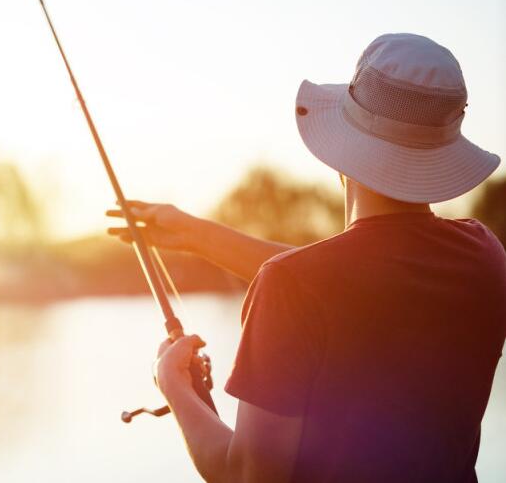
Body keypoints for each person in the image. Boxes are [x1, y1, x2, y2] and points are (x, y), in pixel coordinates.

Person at [107, 34, 506, 483]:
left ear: (342, 146)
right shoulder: (486, 256)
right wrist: (197, 235)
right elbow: (349, 283)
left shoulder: (293, 285)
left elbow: (246, 475)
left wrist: (175, 387)